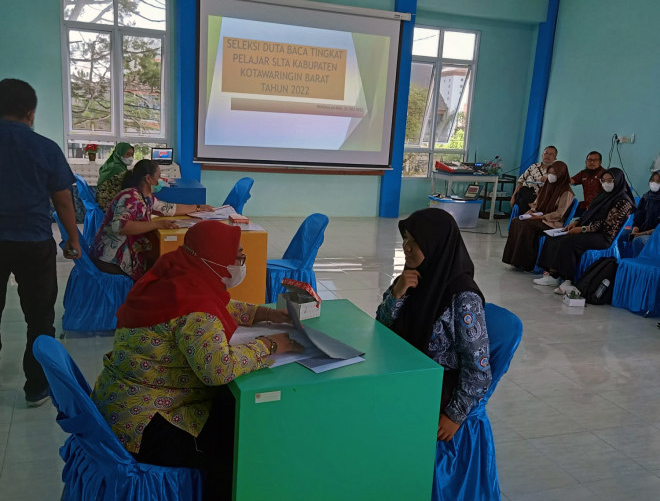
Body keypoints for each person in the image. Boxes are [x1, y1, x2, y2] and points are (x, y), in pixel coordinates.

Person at [91, 220, 303, 499]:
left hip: (118, 400)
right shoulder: (196, 310)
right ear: (214, 259)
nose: (241, 262)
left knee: (229, 410)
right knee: (237, 443)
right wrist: (268, 344)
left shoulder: (175, 271)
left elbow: (217, 303)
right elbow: (218, 369)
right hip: (145, 424)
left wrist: (265, 314)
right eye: (237, 256)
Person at [376, 209, 492, 443]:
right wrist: (396, 295)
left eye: (416, 241)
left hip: (437, 386)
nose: (406, 246)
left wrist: (454, 416)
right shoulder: (414, 277)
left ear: (435, 244)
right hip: (407, 372)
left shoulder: (463, 297)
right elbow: (382, 325)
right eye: (406, 238)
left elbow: (479, 369)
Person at [0, 78, 81, 407]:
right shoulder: (46, 148)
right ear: (31, 114)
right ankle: (36, 386)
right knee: (40, 316)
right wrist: (72, 240)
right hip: (34, 243)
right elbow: (63, 202)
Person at [90, 159, 213, 281]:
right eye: (159, 177)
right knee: (158, 269)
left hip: (125, 252)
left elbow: (169, 208)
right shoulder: (130, 197)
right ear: (148, 178)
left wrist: (198, 207)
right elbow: (120, 226)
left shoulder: (146, 197)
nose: (161, 181)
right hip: (110, 258)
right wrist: (156, 224)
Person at [534, 167, 635, 294]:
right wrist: (577, 222)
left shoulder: (623, 201)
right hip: (589, 230)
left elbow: (608, 225)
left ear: (619, 181)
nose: (606, 183)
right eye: (603, 180)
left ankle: (567, 280)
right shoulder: (603, 195)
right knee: (553, 236)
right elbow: (590, 212)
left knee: (569, 241)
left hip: (604, 237)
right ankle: (553, 275)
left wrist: (582, 229)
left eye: (610, 180)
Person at [502, 161, 575, 271]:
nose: (551, 176)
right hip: (538, 217)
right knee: (516, 221)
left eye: (554, 173)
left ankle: (525, 262)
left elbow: (559, 214)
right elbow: (536, 205)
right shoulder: (546, 187)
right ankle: (512, 259)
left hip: (551, 222)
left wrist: (540, 217)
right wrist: (530, 213)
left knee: (527, 226)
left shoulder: (566, 192)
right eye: (549, 173)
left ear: (561, 174)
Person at [621, 170, 660, 256]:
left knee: (638, 241)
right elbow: (639, 216)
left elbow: (658, 229)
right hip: (642, 230)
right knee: (621, 235)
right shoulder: (646, 197)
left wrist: (640, 234)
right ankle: (621, 262)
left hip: (655, 235)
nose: (654, 183)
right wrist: (635, 229)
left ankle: (637, 265)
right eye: (652, 180)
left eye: (658, 181)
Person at [510, 146, 558, 214]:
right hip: (527, 194)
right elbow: (521, 182)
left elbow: (557, 187)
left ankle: (523, 219)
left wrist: (548, 181)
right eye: (546, 153)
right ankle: (529, 208)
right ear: (542, 155)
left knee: (521, 201)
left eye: (551, 154)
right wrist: (513, 197)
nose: (547, 156)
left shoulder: (556, 171)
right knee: (523, 190)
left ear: (555, 158)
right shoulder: (533, 167)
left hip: (542, 198)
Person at [96, 142, 134, 211]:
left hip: (103, 199)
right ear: (119, 153)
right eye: (127, 154)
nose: (130, 157)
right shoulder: (116, 168)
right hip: (107, 203)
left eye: (132, 154)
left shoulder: (112, 163)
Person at [570, 151, 605, 216]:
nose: (592, 162)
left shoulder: (605, 175)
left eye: (595, 160)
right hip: (586, 205)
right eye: (589, 160)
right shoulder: (583, 173)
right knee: (566, 211)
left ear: (600, 162)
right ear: (586, 162)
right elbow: (571, 181)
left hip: (599, 207)